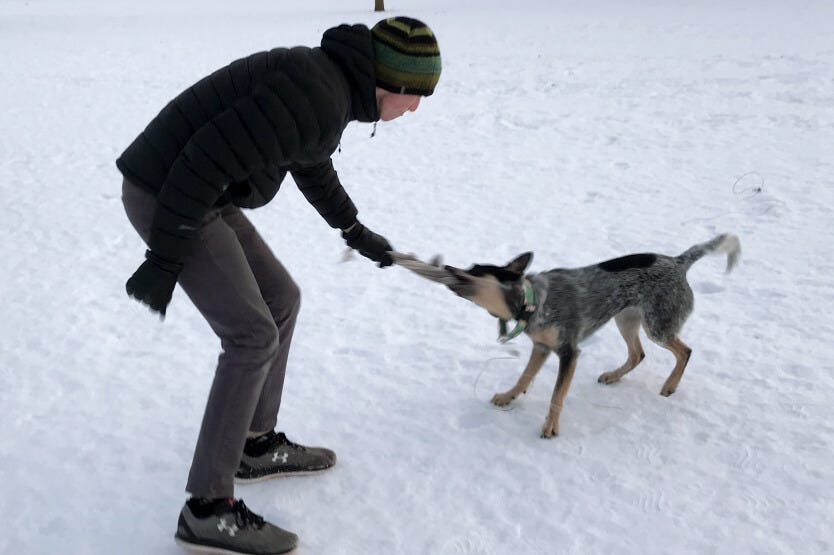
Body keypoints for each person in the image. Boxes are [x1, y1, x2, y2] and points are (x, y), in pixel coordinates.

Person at [118, 16, 441, 554]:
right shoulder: (317, 91)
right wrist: (164, 256)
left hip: (201, 192)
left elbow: (308, 159)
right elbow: (201, 159)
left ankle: (254, 444)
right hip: (170, 193)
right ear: (395, 84)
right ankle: (207, 508)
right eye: (418, 96)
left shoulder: (328, 87)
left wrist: (354, 230)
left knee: (281, 299)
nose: (416, 108)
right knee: (250, 334)